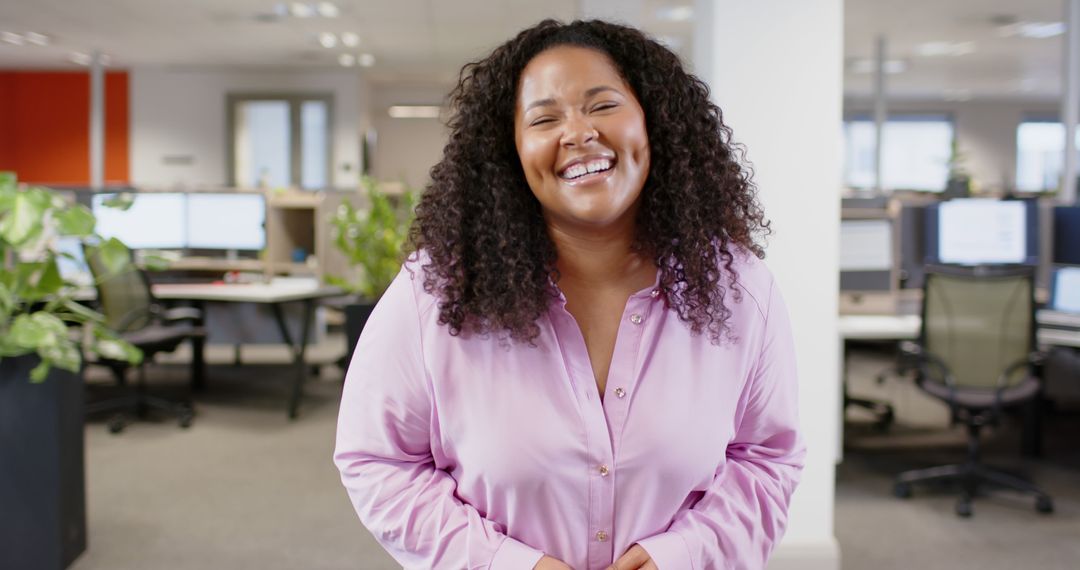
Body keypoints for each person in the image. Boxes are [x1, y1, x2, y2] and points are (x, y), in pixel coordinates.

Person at [334, 19, 804, 570]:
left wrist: (684, 556)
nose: (577, 132)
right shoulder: (435, 291)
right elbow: (377, 461)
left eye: (602, 106)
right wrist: (502, 564)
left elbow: (767, 458)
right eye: (544, 118)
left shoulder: (739, 288)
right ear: (510, 151)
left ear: (655, 122)